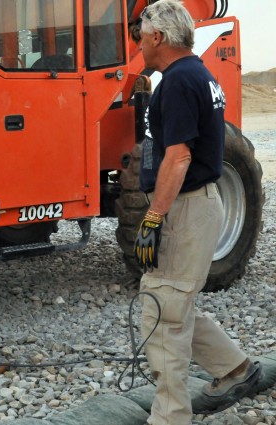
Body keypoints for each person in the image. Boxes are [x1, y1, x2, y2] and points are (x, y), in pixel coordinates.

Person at [133, 1, 262, 424]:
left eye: (140, 33)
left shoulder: (179, 81)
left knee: (163, 310)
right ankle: (236, 369)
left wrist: (153, 217)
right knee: (178, 302)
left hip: (185, 207)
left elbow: (179, 157)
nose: (137, 41)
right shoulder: (195, 74)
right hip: (196, 205)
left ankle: (169, 418)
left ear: (158, 37)